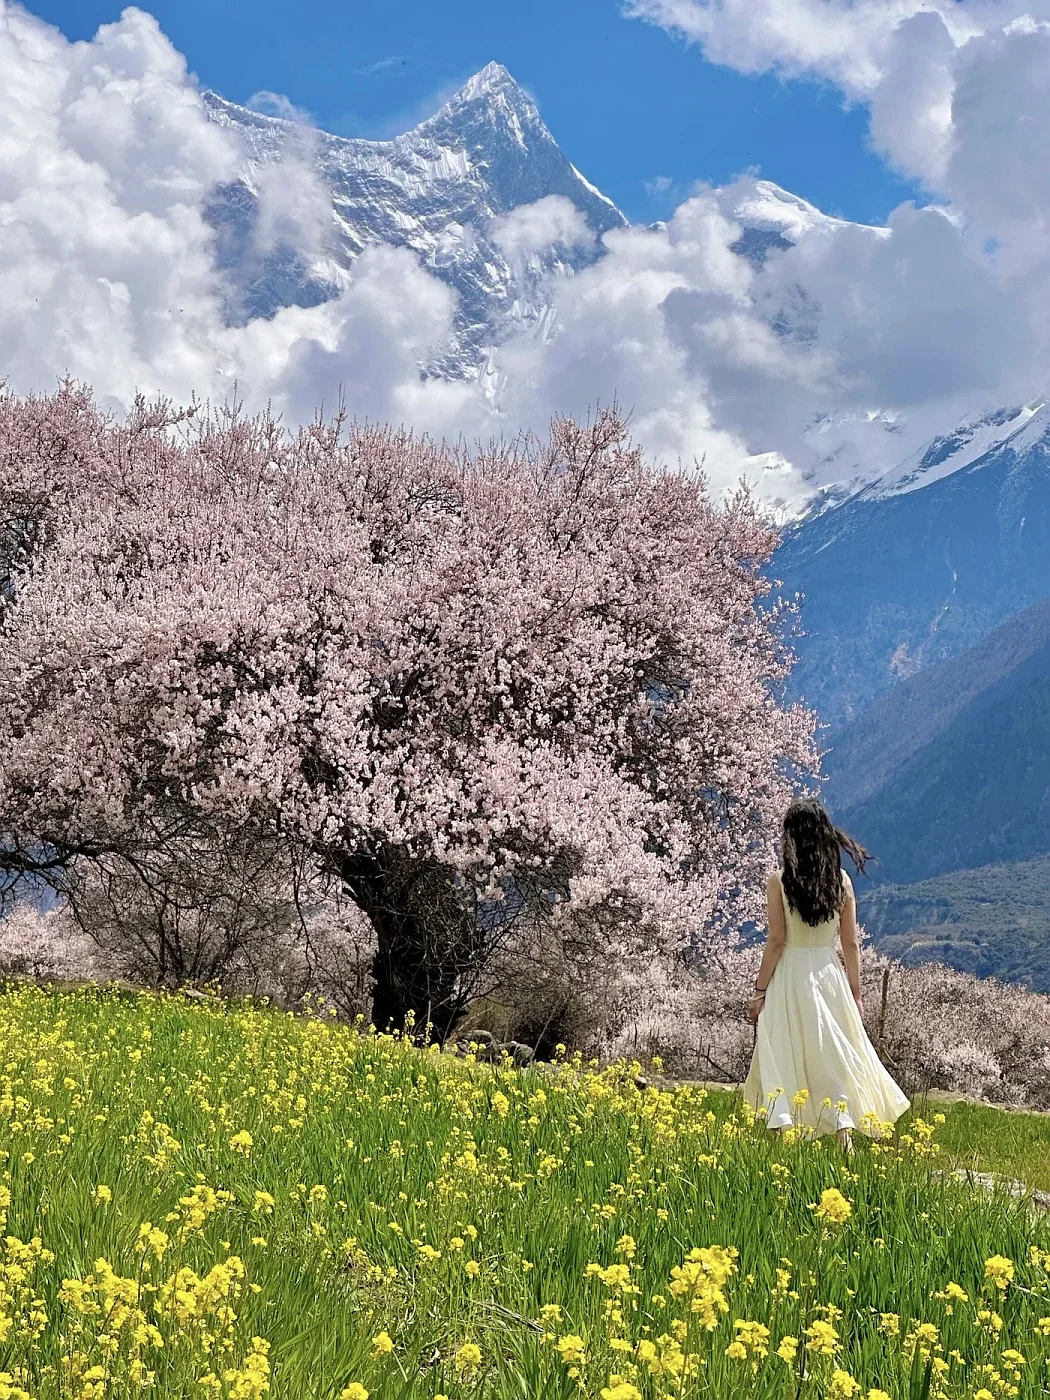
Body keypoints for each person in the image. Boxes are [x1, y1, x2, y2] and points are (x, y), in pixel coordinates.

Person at [742, 797, 909, 1149]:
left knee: (783, 1050)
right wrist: (856, 994)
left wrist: (759, 991)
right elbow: (851, 944)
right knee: (831, 1054)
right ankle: (843, 1136)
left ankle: (780, 1140)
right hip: (828, 973)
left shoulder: (779, 881)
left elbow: (776, 941)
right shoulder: (842, 882)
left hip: (789, 975)